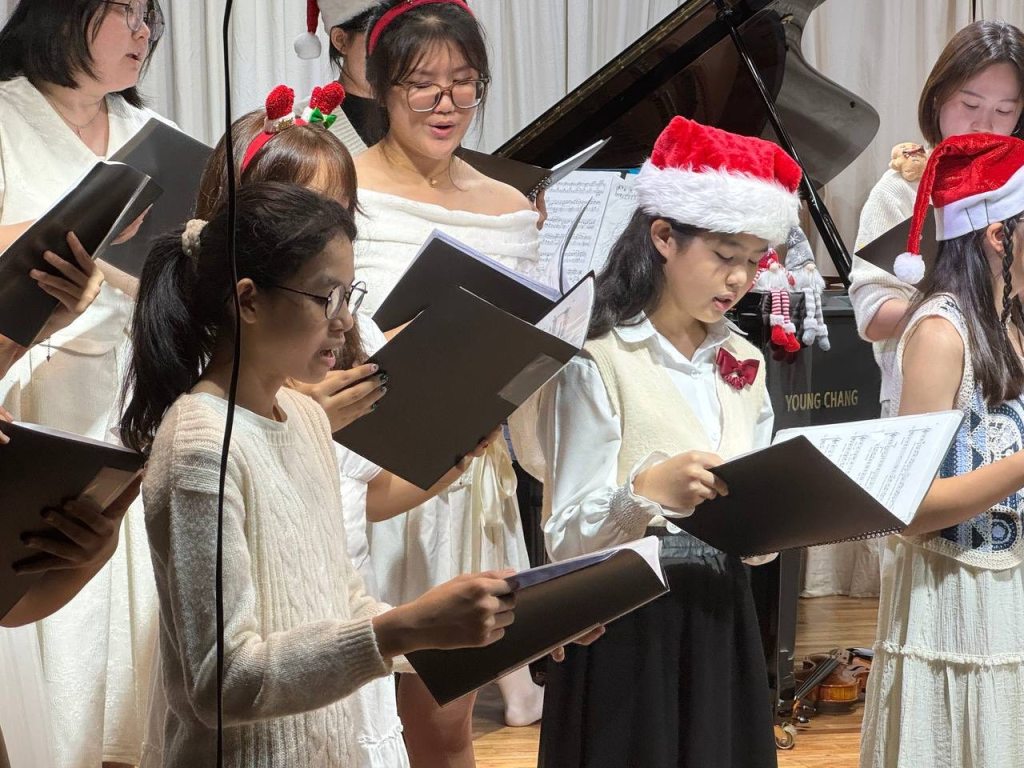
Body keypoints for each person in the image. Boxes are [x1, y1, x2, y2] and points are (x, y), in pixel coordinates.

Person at [120, 181, 519, 767]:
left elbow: (342, 601)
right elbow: (221, 683)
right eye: (327, 297)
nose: (345, 322)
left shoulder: (305, 418)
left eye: (349, 295)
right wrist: (403, 630)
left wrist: (501, 623)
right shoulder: (200, 445)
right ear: (248, 300)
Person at [511, 115, 795, 768]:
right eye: (724, 256)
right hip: (625, 626)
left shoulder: (745, 360)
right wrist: (644, 492)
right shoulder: (600, 358)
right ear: (664, 236)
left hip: (719, 617)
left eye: (753, 261)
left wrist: (777, 516)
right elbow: (565, 538)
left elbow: (754, 537)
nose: (738, 280)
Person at [355, 0, 546, 759]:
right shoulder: (343, 188)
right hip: (369, 462)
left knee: (443, 716)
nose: (446, 101)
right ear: (380, 87)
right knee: (355, 709)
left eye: (464, 82)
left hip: (467, 475)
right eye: (422, 83)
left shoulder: (508, 208)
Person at [0, 1, 168, 765]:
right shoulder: (7, 116)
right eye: (125, 12)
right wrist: (57, 244)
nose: (144, 32)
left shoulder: (151, 136)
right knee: (51, 645)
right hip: (34, 396)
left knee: (138, 669)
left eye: (149, 16)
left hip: (133, 402)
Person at [859, 133, 1024, 768]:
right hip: (952, 599)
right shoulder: (939, 331)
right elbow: (912, 509)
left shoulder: (1012, 321)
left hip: (1007, 588)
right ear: (998, 235)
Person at [850, 20, 1024, 418]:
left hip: (1011, 387)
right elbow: (871, 316)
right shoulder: (902, 189)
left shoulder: (1017, 182)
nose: (983, 125)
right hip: (927, 392)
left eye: (1004, 110)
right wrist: (956, 313)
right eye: (969, 105)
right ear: (937, 98)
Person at [293, 0, 389, 154]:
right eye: (378, 40)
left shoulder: (418, 112)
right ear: (340, 40)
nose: (391, 55)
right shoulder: (303, 121)